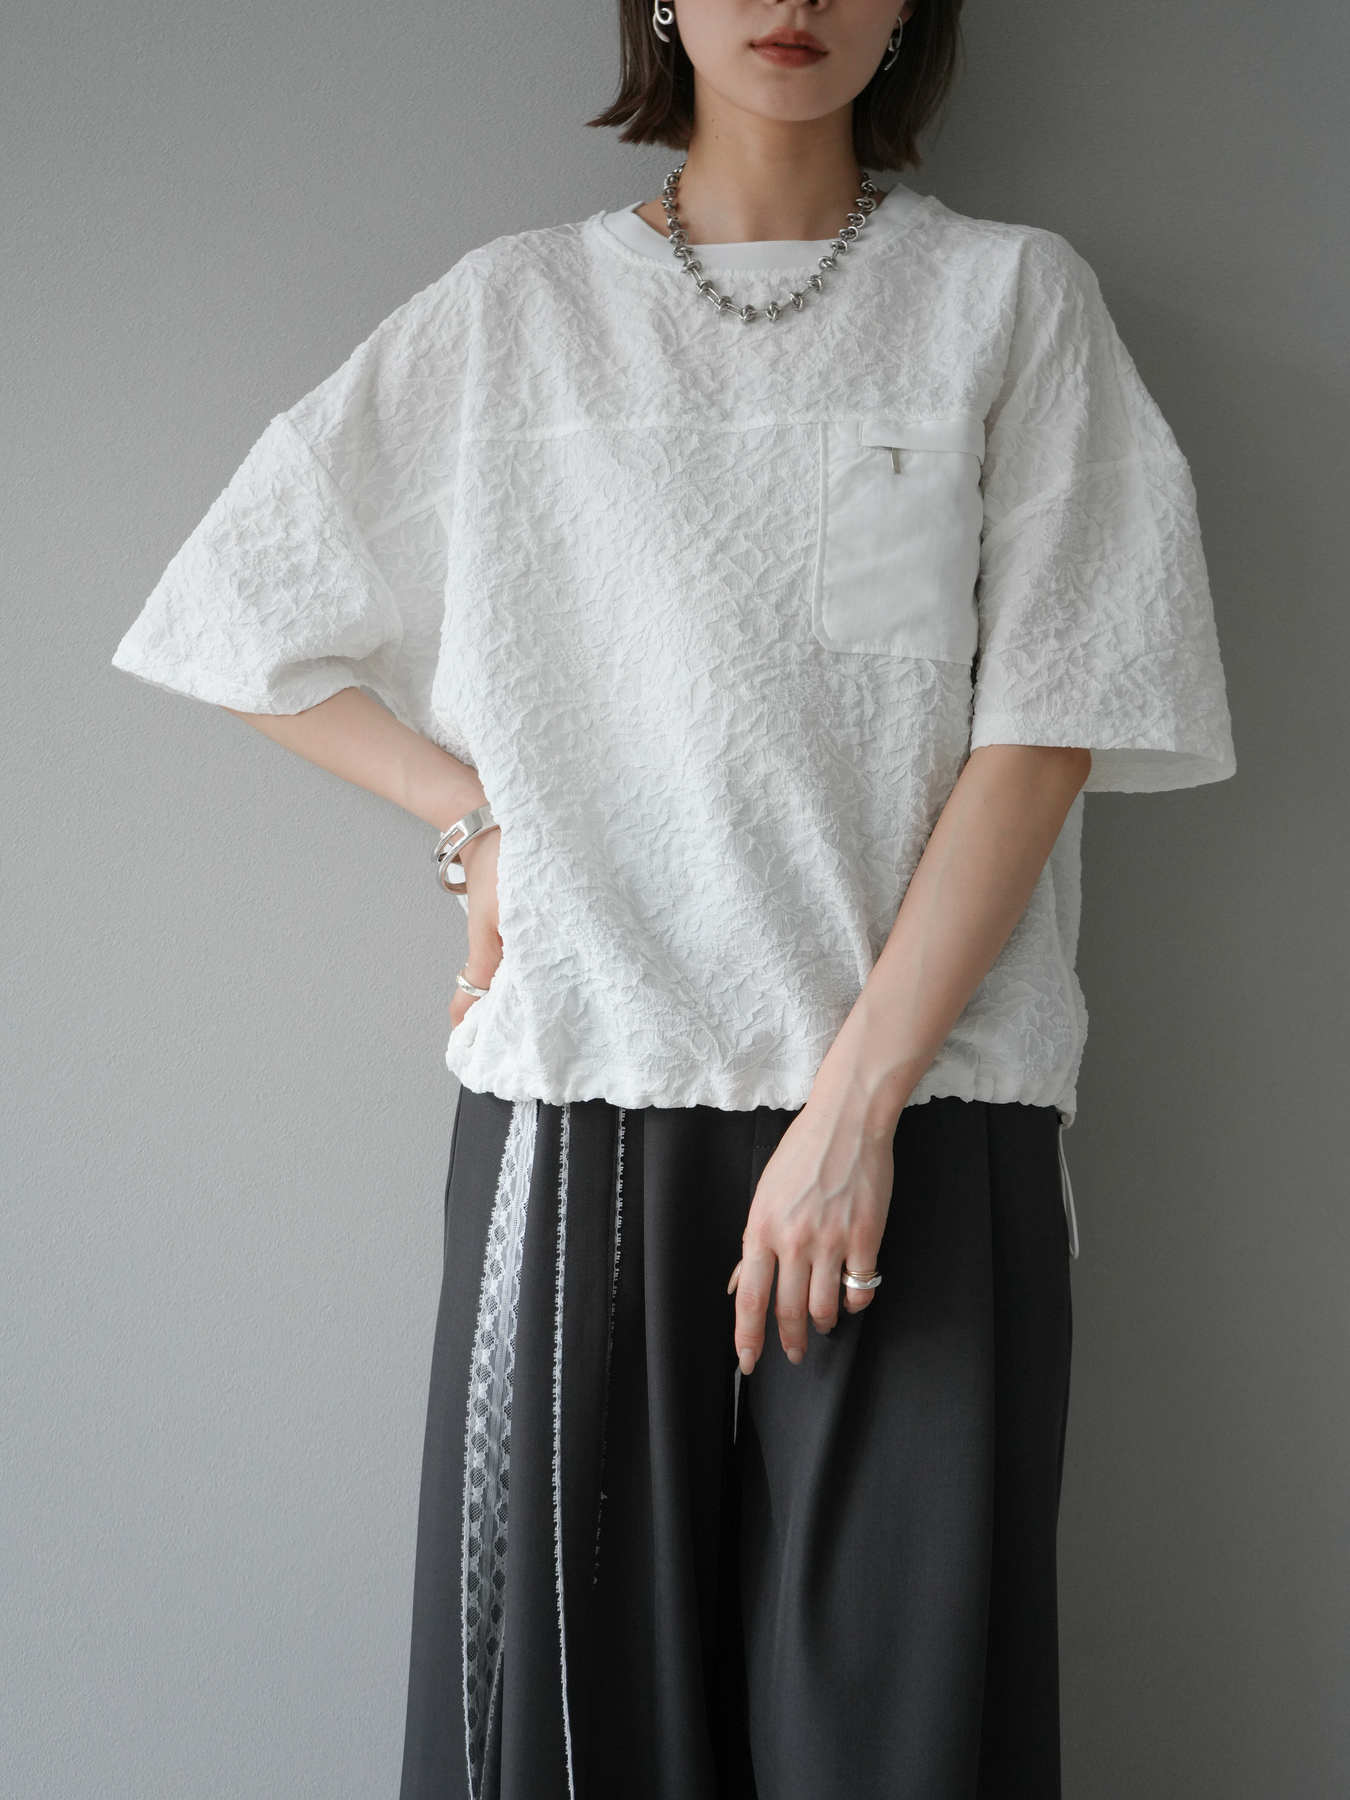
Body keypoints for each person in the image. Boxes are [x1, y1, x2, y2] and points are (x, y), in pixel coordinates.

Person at [110, 0, 1235, 1794]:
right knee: (566, 1739)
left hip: (925, 1113)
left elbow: (1048, 720)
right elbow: (237, 613)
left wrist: (852, 1109)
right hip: (587, 1099)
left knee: (902, 1741)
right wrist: (472, 824)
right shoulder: (515, 317)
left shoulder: (1005, 301)